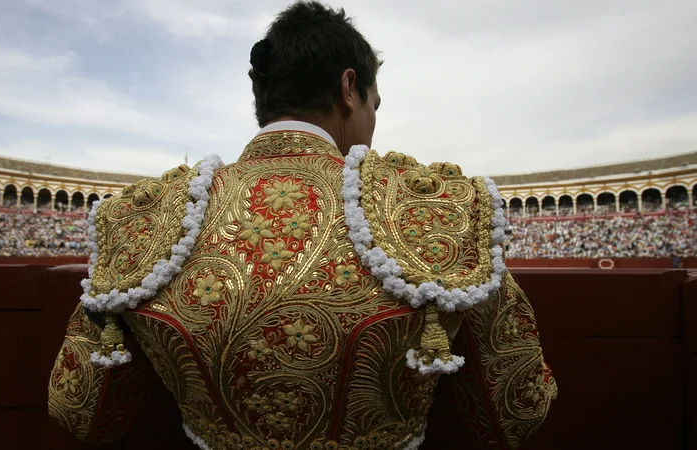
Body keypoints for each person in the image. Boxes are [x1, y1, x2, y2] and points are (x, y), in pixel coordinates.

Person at [48, 2, 557, 449]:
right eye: (375, 106)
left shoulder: (149, 214)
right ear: (349, 87)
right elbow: (516, 408)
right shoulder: (432, 208)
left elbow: (81, 409)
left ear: (263, 97)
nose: (373, 123)